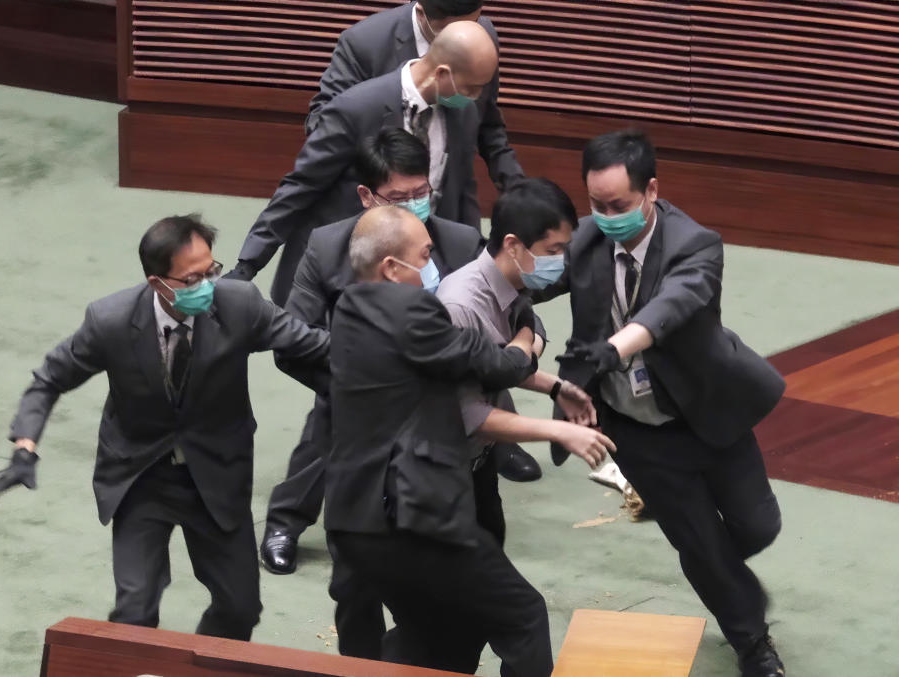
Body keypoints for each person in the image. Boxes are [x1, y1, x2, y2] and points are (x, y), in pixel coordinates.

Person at [0, 215, 330, 641]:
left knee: (240, 608)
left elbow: (311, 343)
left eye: (211, 271)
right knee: (134, 611)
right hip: (141, 476)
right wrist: (25, 445)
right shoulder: (109, 321)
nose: (207, 285)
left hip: (216, 474)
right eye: (191, 278)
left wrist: (388, 349)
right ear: (156, 283)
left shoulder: (240, 304)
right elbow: (50, 378)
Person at [541, 130, 786, 677]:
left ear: (651, 190)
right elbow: (528, 279)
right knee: (699, 542)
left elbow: (670, 308)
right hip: (636, 427)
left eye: (619, 206)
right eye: (596, 206)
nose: (606, 217)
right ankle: (753, 642)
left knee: (757, 526)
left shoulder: (696, 243)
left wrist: (613, 348)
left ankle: (718, 572)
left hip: (705, 413)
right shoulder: (583, 239)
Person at [260, 129, 541, 579]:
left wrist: (531, 336)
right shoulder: (328, 246)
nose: (414, 203)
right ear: (367, 196)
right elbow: (293, 334)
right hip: (356, 379)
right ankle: (285, 524)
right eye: (399, 196)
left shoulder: (459, 240)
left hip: (450, 378)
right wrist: (364, 367)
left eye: (421, 192)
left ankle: (495, 453)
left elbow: (513, 304)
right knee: (331, 432)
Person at [324, 205, 552, 676]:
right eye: (425, 254)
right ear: (391, 267)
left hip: (355, 513)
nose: (433, 265)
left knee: (429, 634)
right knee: (524, 615)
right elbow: (497, 365)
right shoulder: (416, 309)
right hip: (419, 509)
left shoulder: (346, 308)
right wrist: (527, 337)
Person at [225, 20, 498, 307]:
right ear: (443, 73)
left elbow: (463, 189)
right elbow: (300, 187)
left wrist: (474, 269)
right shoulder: (355, 108)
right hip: (340, 278)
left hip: (414, 280)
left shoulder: (464, 113)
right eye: (472, 87)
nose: (476, 97)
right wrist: (248, 264)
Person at [436, 178, 616, 546]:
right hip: (440, 477)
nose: (561, 261)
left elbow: (494, 365)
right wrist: (559, 431)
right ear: (513, 245)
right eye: (554, 249)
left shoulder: (511, 282)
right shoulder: (461, 306)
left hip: (478, 463)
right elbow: (466, 414)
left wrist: (555, 386)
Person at [306, 0, 523, 194]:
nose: (464, 35)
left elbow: (488, 124)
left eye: (473, 22)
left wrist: (518, 189)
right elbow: (319, 124)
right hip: (379, 203)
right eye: (449, 30)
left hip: (445, 208)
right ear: (421, 13)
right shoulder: (364, 43)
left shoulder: (480, 40)